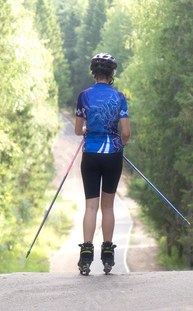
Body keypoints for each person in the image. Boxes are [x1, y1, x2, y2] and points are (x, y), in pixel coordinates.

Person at [74, 53, 131, 275]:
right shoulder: (119, 97)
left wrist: (88, 130)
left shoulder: (84, 96)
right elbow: (125, 132)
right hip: (113, 154)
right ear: (112, 73)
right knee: (107, 206)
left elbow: (78, 130)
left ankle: (86, 254)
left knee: (90, 206)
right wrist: (120, 144)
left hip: (90, 154)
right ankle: (107, 255)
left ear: (93, 72)